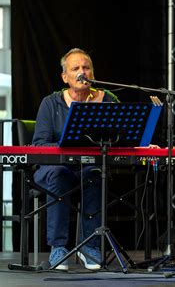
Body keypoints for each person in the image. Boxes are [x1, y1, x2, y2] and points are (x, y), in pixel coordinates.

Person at [32, 48, 119, 270]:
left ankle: (89, 245)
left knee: (94, 173)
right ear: (65, 77)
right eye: (76, 68)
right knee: (60, 174)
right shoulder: (50, 104)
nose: (82, 72)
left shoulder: (108, 100)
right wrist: (68, 147)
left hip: (88, 168)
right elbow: (39, 145)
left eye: (86, 67)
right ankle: (58, 247)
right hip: (54, 169)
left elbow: (121, 139)